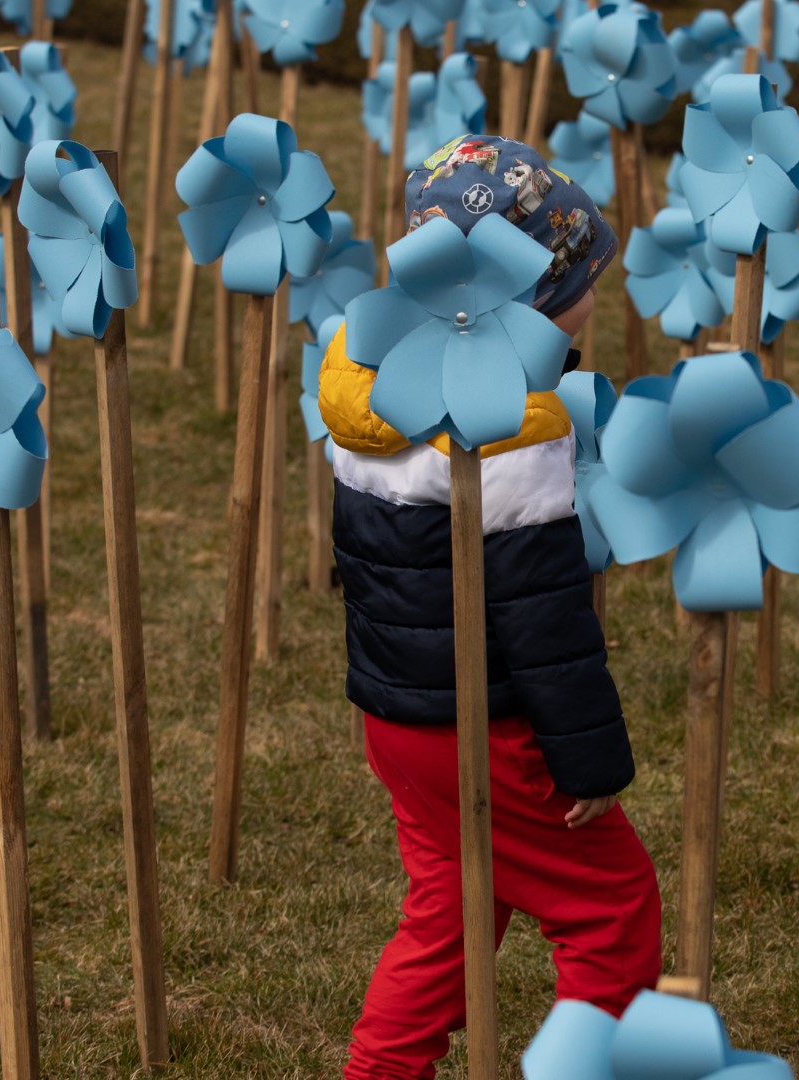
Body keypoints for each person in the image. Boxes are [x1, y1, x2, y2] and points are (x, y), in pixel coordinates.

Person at [319, 135, 661, 1080]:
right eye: (582, 278)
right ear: (532, 296)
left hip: (399, 714)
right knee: (611, 906)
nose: (594, 295)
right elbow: (542, 613)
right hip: (488, 724)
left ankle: (380, 1071)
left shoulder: (365, 381)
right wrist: (588, 759)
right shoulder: (513, 422)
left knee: (452, 907)